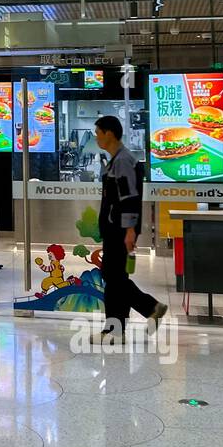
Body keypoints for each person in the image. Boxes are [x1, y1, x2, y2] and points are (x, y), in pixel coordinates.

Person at [93, 115, 167, 341]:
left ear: (109, 133)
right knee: (115, 277)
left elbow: (129, 197)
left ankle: (150, 307)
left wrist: (130, 230)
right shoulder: (117, 160)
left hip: (120, 230)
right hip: (116, 229)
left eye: (98, 133)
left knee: (113, 277)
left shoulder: (123, 161)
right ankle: (117, 329)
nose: (96, 137)